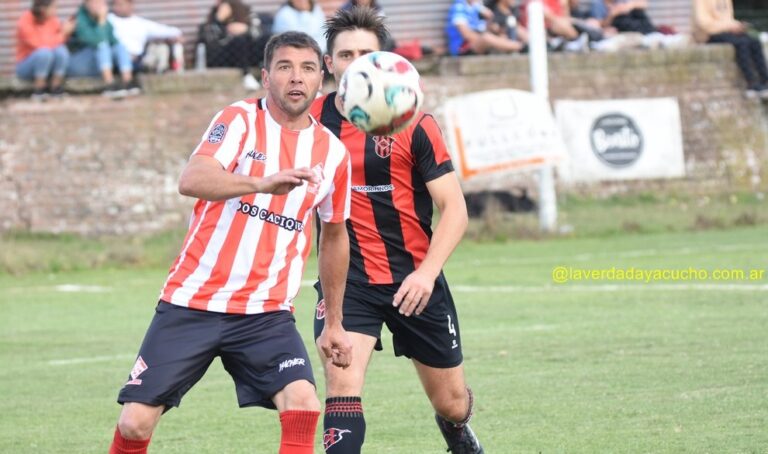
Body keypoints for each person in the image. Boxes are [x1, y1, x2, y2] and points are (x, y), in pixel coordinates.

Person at [108, 31, 354, 454]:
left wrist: (334, 322)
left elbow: (334, 236)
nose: (297, 77)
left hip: (266, 313)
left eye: (308, 68)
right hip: (192, 303)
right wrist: (260, 183)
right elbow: (192, 178)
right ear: (266, 77)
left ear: (321, 78)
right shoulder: (239, 119)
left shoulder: (332, 153)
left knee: (303, 402)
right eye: (285, 67)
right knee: (134, 424)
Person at [311, 7, 481, 454]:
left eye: (366, 54)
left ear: (385, 61)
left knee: (451, 402)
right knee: (342, 384)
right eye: (345, 55)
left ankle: (456, 429)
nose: (356, 64)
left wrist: (426, 274)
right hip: (347, 283)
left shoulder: (417, 124)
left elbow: (455, 209)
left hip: (415, 281)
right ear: (329, 64)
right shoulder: (309, 123)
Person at [693, 0, 768, 99]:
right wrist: (729, 26)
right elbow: (705, 24)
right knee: (742, 43)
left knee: (754, 41)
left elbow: (728, 19)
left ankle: (765, 80)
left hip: (727, 31)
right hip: (710, 35)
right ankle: (751, 83)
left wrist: (737, 25)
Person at [66, 0, 138, 97]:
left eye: (101, 3)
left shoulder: (104, 18)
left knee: (120, 46)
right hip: (79, 63)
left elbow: (113, 40)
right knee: (102, 46)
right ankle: (109, 84)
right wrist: (101, 21)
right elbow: (97, 41)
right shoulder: (79, 19)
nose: (100, 6)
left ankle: (128, 82)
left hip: (97, 62)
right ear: (87, 4)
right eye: (96, 3)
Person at [15, 0, 73, 100]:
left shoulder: (53, 20)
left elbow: (57, 42)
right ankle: (39, 90)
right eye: (53, 7)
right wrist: (63, 34)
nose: (55, 10)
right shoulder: (25, 21)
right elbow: (40, 44)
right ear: (43, 9)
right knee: (44, 53)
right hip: (26, 67)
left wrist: (67, 31)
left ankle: (55, 88)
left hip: (48, 65)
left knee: (61, 51)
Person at [198, 0, 260, 90]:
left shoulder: (246, 11)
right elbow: (211, 41)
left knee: (262, 40)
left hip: (247, 54)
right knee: (239, 41)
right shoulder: (214, 14)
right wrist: (218, 21)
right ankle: (246, 75)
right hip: (223, 56)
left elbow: (259, 32)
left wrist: (246, 29)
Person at [108, 0, 183, 72]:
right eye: (115, 5)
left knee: (161, 48)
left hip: (137, 61)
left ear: (130, 5)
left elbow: (171, 31)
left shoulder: (141, 23)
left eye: (120, 4)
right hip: (115, 60)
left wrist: (177, 36)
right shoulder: (109, 20)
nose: (116, 8)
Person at [446, 0, 524, 56]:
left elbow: (484, 27)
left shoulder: (477, 7)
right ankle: (521, 47)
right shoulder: (459, 8)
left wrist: (492, 28)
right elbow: (467, 35)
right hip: (463, 48)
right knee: (487, 38)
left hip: (480, 42)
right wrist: (488, 39)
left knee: (502, 35)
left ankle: (517, 47)